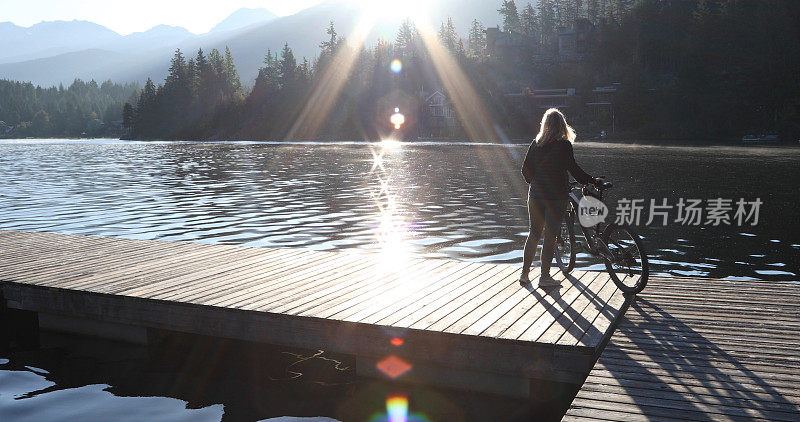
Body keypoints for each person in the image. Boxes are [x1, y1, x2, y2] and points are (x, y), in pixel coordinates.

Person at [520, 108, 601, 287]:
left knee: (533, 234)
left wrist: (536, 183)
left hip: (535, 196)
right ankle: (544, 277)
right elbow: (574, 170)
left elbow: (525, 170)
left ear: (545, 125)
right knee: (550, 236)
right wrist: (592, 181)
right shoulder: (564, 145)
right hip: (556, 197)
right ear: (562, 126)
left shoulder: (536, 143)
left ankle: (524, 275)